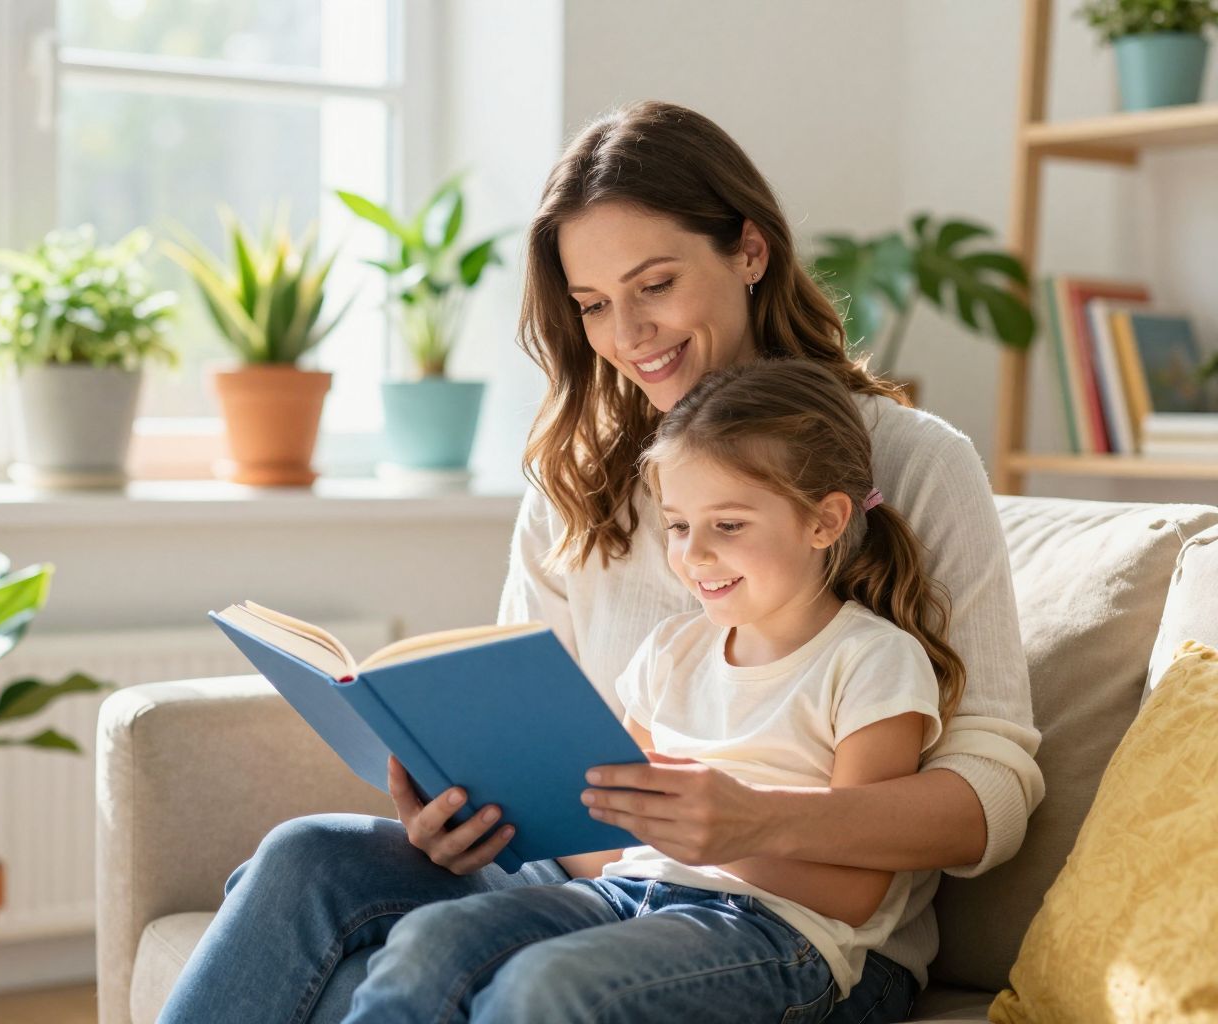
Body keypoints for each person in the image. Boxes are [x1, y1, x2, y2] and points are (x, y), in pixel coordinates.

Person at [156, 100, 1043, 1024]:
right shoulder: (574, 479)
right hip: (602, 882)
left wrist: (753, 822)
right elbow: (527, 725)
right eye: (592, 306)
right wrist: (465, 804)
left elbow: (994, 793)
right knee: (305, 859)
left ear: (749, 251)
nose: (629, 334)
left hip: (790, 928)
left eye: (655, 284)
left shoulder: (909, 461)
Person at [325, 357, 965, 1021]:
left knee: (548, 983)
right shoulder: (671, 651)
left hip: (780, 933)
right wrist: (490, 805)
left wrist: (723, 842)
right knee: (429, 941)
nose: (694, 554)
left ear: (824, 521)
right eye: (680, 526)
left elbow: (855, 893)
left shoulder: (873, 660)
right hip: (628, 898)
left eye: (729, 525)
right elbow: (612, 836)